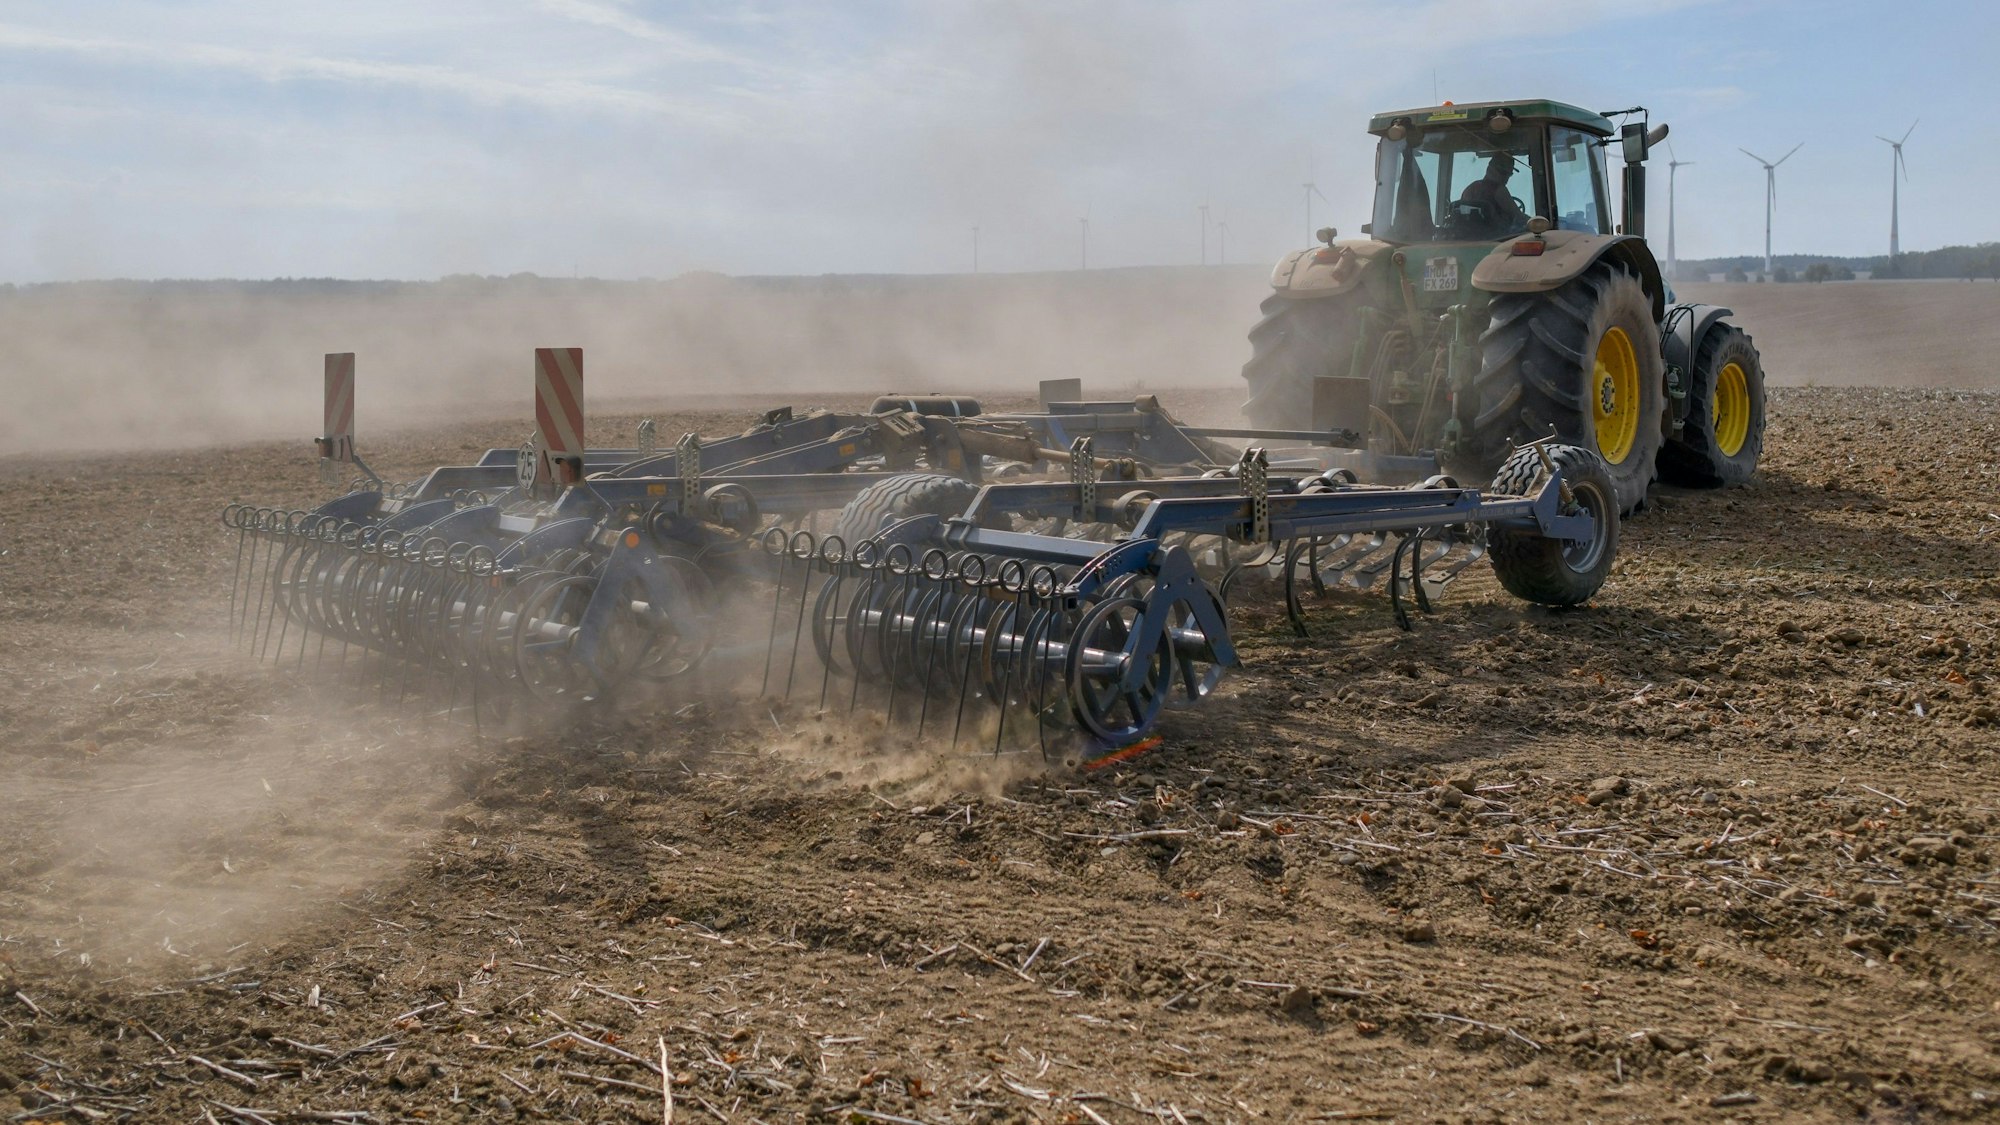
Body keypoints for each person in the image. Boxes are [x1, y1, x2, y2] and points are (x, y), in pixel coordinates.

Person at [1458, 153, 1528, 232]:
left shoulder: (1469, 189)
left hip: (1469, 236)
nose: (1506, 178)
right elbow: (1518, 216)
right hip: (1496, 238)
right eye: (1503, 173)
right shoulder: (1499, 190)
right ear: (1489, 169)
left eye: (1509, 174)